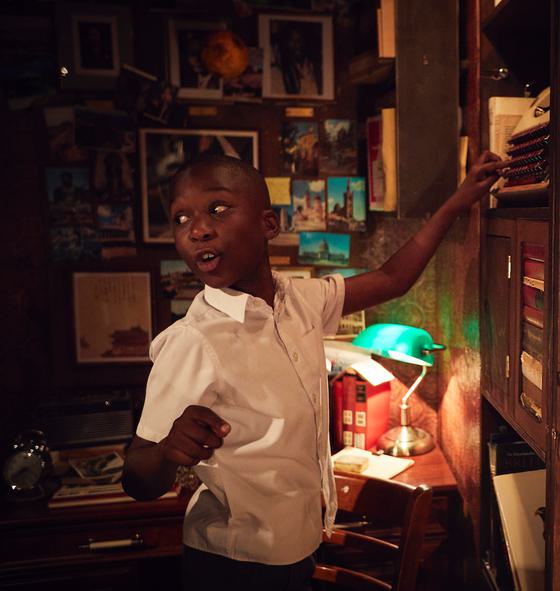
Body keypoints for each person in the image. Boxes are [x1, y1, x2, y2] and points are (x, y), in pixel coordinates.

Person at [122, 151, 506, 591]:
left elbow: (392, 277)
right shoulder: (192, 341)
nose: (197, 228)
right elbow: (137, 477)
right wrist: (170, 448)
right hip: (236, 566)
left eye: (217, 208)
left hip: (301, 548)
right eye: (180, 218)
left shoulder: (300, 300)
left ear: (269, 225)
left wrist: (459, 201)